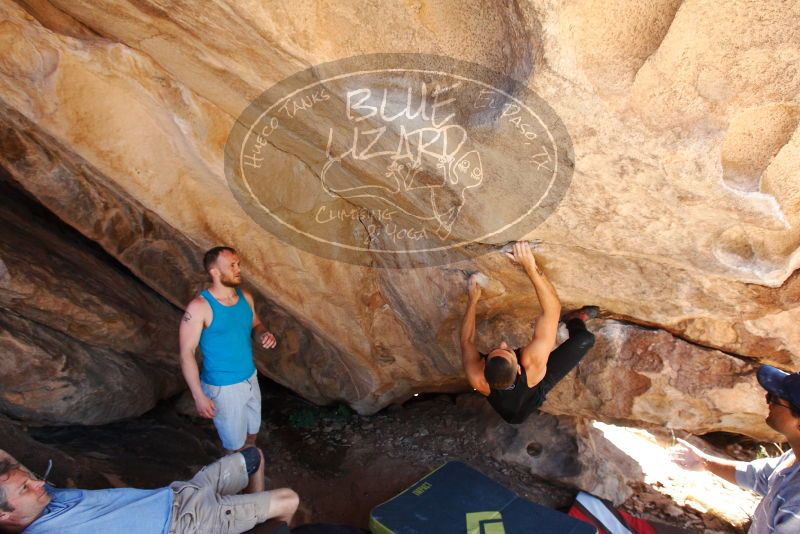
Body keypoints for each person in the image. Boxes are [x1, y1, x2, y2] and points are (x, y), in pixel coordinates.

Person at [0, 448, 299, 533]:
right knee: (289, 499)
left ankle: (248, 516)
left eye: (30, 478)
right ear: (4, 515)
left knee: (253, 457)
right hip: (188, 524)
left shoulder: (45, 500)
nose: (38, 483)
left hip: (181, 492)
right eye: (26, 487)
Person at [460, 241, 597, 424]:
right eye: (508, 351)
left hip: (507, 407)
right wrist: (531, 268)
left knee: (512, 416)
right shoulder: (531, 366)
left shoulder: (476, 376)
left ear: (484, 367)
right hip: (533, 393)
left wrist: (472, 300)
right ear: (518, 368)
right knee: (585, 339)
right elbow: (552, 310)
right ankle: (575, 319)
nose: (503, 344)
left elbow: (466, 340)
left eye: (495, 350)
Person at [671, 365, 800, 533]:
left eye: (775, 399)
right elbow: (758, 476)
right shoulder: (793, 459)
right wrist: (705, 462)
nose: (767, 400)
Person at [179, 246, 277, 457]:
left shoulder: (246, 298)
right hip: (223, 388)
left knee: (252, 434)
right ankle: (233, 485)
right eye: (232, 265)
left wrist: (263, 335)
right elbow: (186, 353)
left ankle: (250, 476)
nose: (238, 269)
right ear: (215, 272)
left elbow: (255, 326)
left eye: (238, 264)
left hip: (250, 378)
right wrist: (198, 396)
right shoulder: (199, 307)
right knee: (233, 445)